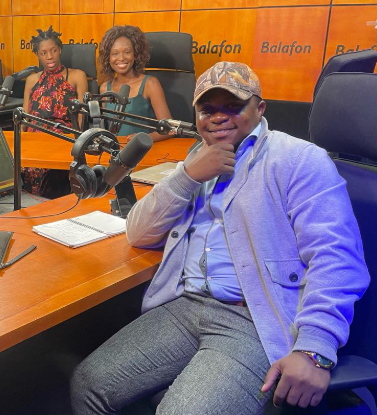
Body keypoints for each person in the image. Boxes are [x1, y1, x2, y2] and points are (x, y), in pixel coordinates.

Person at [70, 62, 370, 414]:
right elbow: (138, 232)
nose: (217, 117)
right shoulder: (196, 158)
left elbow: (336, 260)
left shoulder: (299, 160)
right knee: (88, 384)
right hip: (186, 305)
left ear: (259, 108)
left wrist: (314, 349)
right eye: (207, 109)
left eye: (233, 106)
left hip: (254, 318)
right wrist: (187, 176)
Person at [22, 26, 87, 197]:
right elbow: (25, 119)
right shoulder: (31, 80)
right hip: (34, 139)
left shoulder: (77, 76)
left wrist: (78, 145)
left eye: (53, 50)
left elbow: (82, 118)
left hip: (62, 139)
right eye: (43, 53)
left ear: (60, 50)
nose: (49, 56)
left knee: (46, 171)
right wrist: (20, 145)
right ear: (37, 55)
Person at [98, 25, 172, 142]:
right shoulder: (104, 88)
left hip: (144, 149)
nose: (121, 58)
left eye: (127, 52)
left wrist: (144, 138)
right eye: (115, 53)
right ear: (108, 57)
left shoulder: (150, 84)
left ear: (135, 54)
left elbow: (169, 129)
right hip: (114, 150)